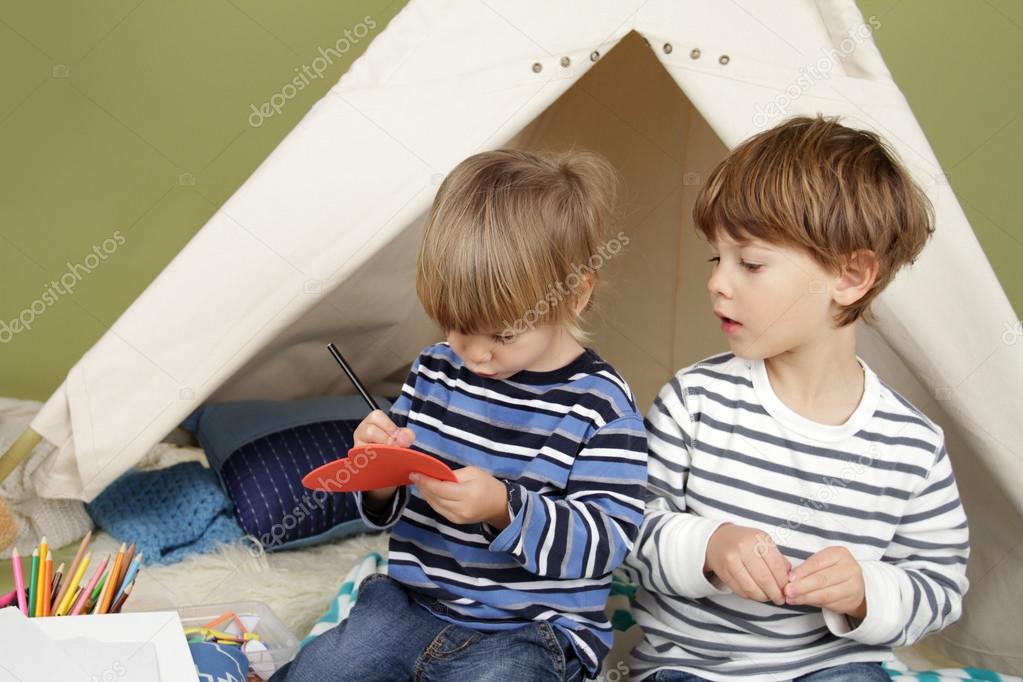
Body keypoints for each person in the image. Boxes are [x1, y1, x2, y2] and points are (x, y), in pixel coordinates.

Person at [272, 149, 648, 681]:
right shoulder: (435, 371)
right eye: (455, 325)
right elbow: (390, 502)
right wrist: (377, 467)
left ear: (575, 295)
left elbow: (605, 543)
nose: (473, 354)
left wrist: (504, 508)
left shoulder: (601, 406)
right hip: (410, 605)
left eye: (501, 335)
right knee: (322, 671)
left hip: (529, 630)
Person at [624, 116, 969, 682]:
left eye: (750, 263)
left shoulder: (913, 446)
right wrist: (709, 544)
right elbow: (626, 527)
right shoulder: (696, 401)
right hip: (692, 669)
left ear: (851, 275)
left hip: (830, 668)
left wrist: (865, 591)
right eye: (717, 258)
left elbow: (939, 583)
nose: (717, 281)